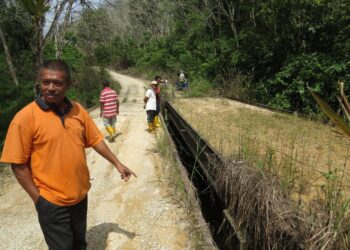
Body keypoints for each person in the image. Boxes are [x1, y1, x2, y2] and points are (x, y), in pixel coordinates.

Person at [0, 60, 136, 249]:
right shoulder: (25, 118)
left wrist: (117, 163)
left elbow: (96, 140)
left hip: (80, 196)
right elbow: (17, 163)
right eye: (46, 82)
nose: (51, 88)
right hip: (50, 201)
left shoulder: (78, 111)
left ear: (69, 85)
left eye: (57, 83)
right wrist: (39, 199)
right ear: (39, 82)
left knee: (79, 244)